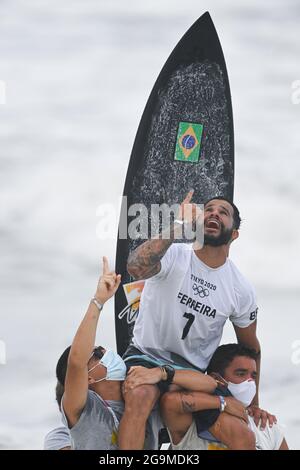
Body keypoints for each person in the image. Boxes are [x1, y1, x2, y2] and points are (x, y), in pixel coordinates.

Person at [118, 191, 274, 449]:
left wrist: (254, 404)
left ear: (234, 234)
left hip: (191, 372)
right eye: (209, 209)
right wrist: (177, 224)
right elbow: (135, 267)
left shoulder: (240, 289)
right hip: (145, 353)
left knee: (239, 431)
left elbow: (250, 348)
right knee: (140, 395)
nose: (214, 213)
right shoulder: (174, 255)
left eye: (223, 212)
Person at [53, 256, 161, 450]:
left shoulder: (143, 392)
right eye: (97, 353)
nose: (105, 351)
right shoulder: (84, 410)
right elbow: (76, 361)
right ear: (88, 379)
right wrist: (99, 300)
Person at [159, 344, 289, 450]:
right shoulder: (193, 422)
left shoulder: (267, 425)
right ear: (217, 379)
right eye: (241, 374)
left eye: (253, 376)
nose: (249, 382)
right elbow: (170, 401)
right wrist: (222, 402)